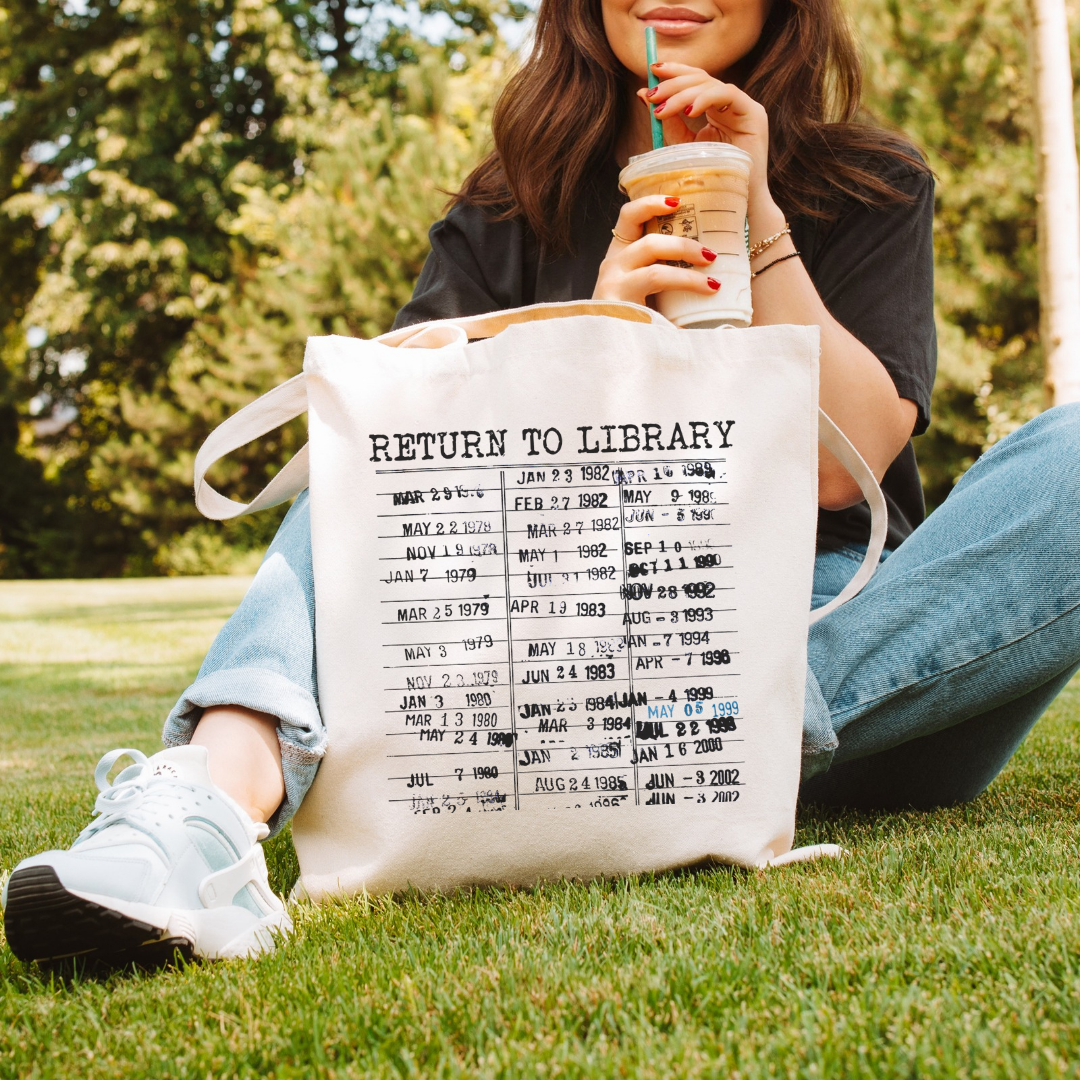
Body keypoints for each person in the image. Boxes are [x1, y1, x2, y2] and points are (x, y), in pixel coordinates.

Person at [4, 0, 1079, 966]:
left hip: (848, 656)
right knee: (393, 424)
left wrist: (758, 218)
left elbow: (837, 473)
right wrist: (593, 330)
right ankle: (201, 806)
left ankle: (663, 746)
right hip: (570, 634)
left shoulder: (871, 184)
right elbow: (391, 447)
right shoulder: (510, 207)